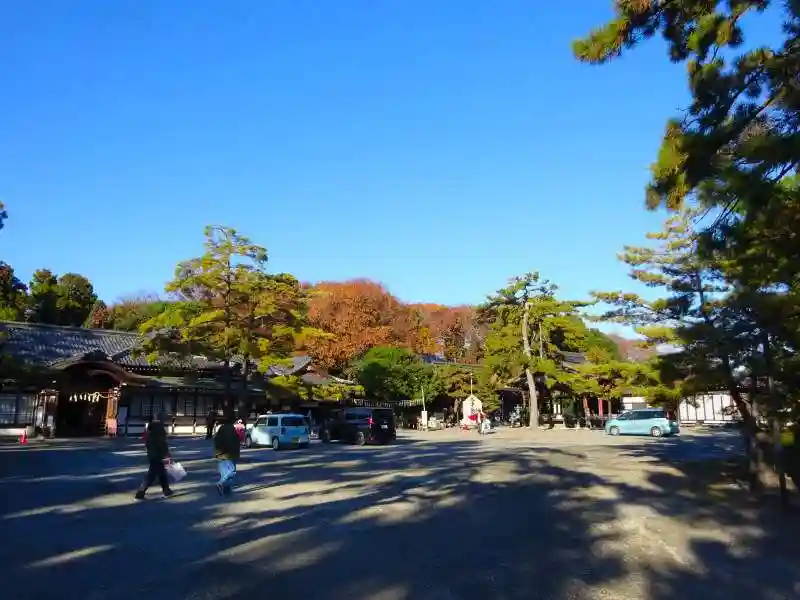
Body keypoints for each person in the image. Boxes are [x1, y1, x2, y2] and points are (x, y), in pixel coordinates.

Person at [135, 413, 174, 500]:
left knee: (162, 473)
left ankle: (166, 490)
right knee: (152, 475)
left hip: (153, 454)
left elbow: (148, 442)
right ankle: (140, 492)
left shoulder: (150, 428)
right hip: (159, 455)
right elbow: (162, 443)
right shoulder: (159, 428)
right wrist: (167, 454)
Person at [213, 416, 241, 496]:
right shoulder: (230, 429)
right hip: (228, 455)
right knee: (232, 471)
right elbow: (234, 442)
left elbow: (216, 441)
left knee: (224, 473)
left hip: (220, 455)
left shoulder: (222, 429)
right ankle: (221, 484)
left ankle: (226, 491)